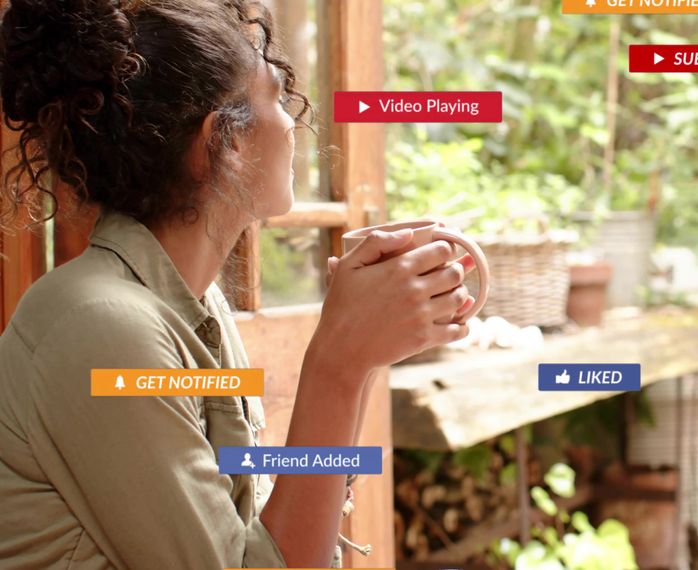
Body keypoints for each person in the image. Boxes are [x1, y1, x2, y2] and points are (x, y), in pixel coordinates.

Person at [0, 0, 474, 568]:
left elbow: (257, 532)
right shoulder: (101, 326)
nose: (293, 124)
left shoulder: (195, 305)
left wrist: (366, 352)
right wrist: (338, 363)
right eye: (275, 98)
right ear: (220, 142)